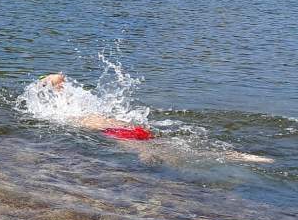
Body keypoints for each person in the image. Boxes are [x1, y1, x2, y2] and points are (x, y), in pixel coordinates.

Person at [35, 73, 274, 162]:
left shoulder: (68, 116)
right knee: (180, 147)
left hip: (123, 135)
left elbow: (58, 86)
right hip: (134, 128)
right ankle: (239, 155)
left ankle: (239, 157)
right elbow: (60, 84)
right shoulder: (91, 109)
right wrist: (56, 80)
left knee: (159, 154)